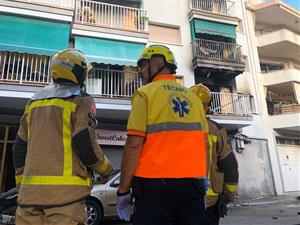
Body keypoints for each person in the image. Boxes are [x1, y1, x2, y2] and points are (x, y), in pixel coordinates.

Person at [12, 48, 113, 225]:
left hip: (29, 200)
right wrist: (106, 170)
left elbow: (19, 147)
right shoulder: (81, 100)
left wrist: (22, 184)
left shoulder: (33, 102)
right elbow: (84, 142)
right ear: (78, 72)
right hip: (65, 200)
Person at [116, 45, 209, 225]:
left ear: (157, 63)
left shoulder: (145, 94)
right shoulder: (195, 99)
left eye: (143, 66)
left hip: (154, 188)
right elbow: (205, 145)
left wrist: (123, 190)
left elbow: (134, 144)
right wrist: (203, 179)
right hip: (192, 187)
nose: (141, 72)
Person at [189, 84, 239, 225]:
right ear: (208, 105)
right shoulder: (216, 129)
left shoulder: (177, 127)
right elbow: (229, 164)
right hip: (210, 202)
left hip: (183, 199)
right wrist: (227, 196)